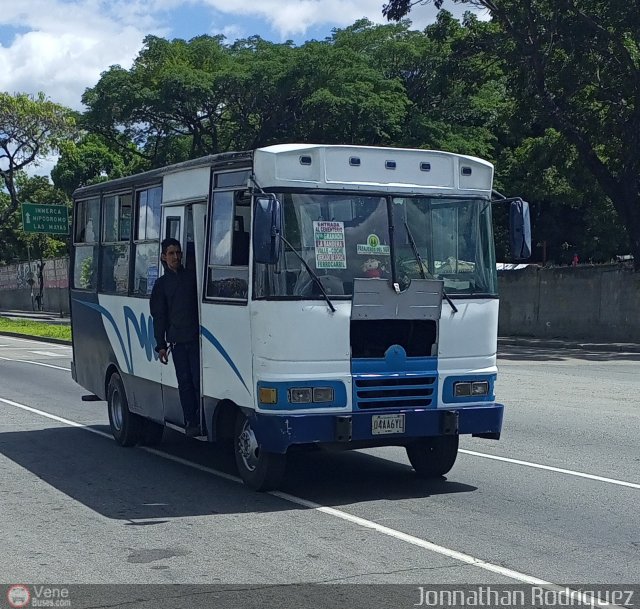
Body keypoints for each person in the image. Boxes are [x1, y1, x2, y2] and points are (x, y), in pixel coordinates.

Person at [150, 238, 201, 437]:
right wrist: (160, 345)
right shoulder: (161, 285)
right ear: (163, 257)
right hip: (177, 342)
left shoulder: (192, 278)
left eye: (178, 253)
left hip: (197, 340)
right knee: (185, 382)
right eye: (171, 253)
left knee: (198, 381)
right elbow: (159, 316)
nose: (175, 257)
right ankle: (191, 420)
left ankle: (199, 415)